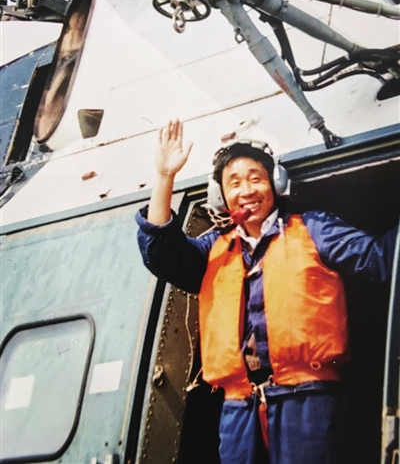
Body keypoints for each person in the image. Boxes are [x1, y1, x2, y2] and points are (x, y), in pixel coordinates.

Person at [136, 119, 396, 464]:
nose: (246, 190)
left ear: (275, 183)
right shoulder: (214, 248)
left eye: (256, 178)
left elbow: (381, 259)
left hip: (308, 402)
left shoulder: (314, 228)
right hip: (238, 411)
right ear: (221, 196)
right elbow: (162, 253)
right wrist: (164, 176)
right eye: (234, 183)